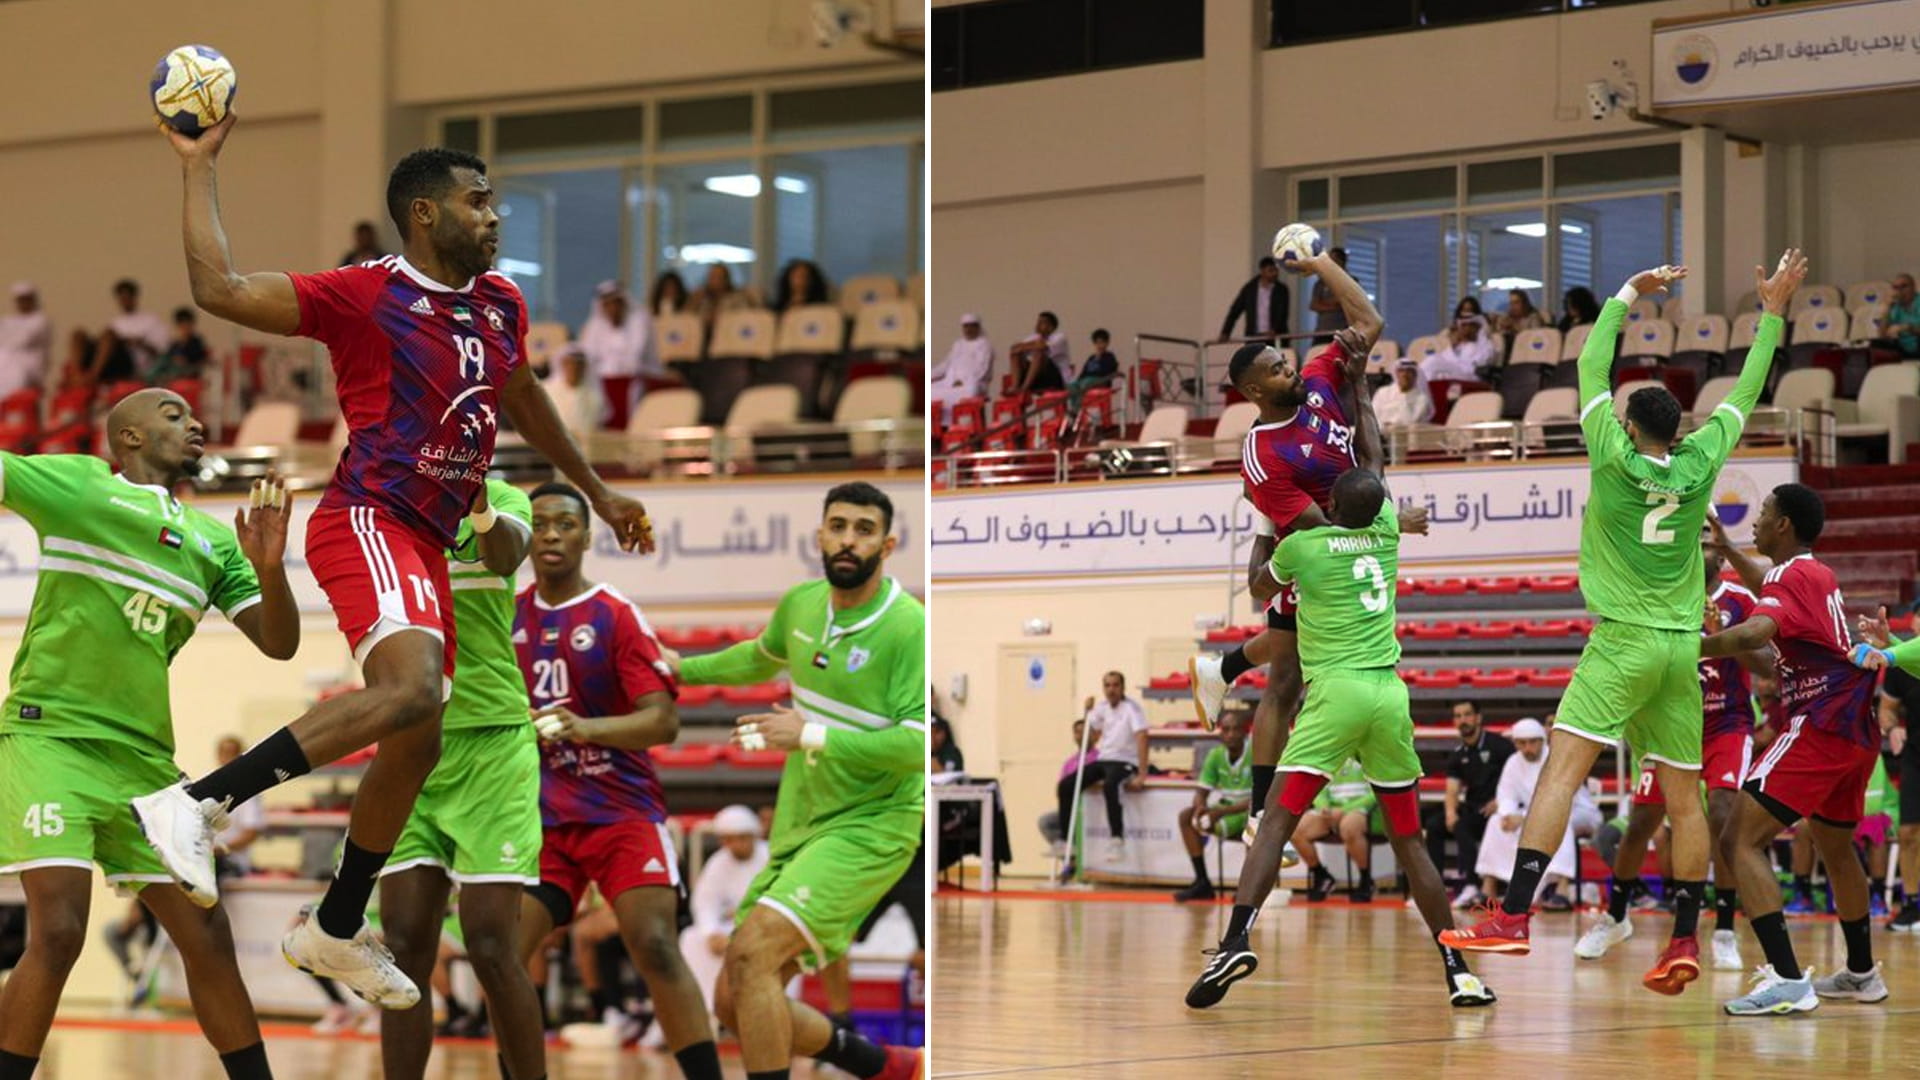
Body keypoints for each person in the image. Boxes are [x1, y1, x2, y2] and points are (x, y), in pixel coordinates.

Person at [132, 116, 653, 1009]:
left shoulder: (502, 305)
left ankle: (332, 927)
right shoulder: (364, 294)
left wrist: (599, 492)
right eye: (476, 201)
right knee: (413, 693)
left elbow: (521, 395)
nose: (495, 216)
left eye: (494, 201)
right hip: (370, 517)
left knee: (415, 739)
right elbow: (217, 288)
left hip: (427, 536)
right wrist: (198, 167)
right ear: (425, 213)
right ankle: (197, 804)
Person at [1441, 251, 1806, 1001]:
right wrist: (1770, 313)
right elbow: (1745, 387)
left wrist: (1625, 298)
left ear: (1630, 423)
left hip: (1622, 641)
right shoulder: (1702, 459)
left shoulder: (1609, 454)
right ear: (1677, 429)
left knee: (1562, 769)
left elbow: (1591, 369)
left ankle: (1511, 916)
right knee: (1685, 800)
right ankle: (1681, 939)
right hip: (1680, 650)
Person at [0, 389, 299, 1080]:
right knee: (61, 930)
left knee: (207, 934)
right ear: (127, 438)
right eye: (171, 414)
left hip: (144, 764)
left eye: (194, 415)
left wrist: (270, 567)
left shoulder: (218, 541)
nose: (193, 422)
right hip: (53, 741)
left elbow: (280, 644)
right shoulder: (77, 486)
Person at [1185, 468, 1494, 1011]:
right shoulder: (1388, 534)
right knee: (1410, 840)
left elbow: (1259, 584)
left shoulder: (1304, 547)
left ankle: (1235, 941)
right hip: (1389, 698)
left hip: (1336, 694)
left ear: (1327, 501)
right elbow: (1376, 474)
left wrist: (1264, 522)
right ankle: (1458, 971)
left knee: (1275, 822)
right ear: (1380, 509)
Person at [670, 482, 923, 1080]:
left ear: (887, 545)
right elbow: (759, 656)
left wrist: (808, 734)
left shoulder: (907, 626)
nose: (848, 539)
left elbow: (915, 745)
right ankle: (881, 1063)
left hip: (873, 824)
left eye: (864, 530)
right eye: (838, 525)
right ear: (819, 536)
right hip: (802, 822)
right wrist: (677, 668)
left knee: (754, 954)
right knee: (735, 995)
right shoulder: (802, 604)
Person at [1188, 248, 1421, 839]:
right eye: (1272, 368)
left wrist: (1320, 266)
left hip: (1350, 536)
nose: (1288, 368)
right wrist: (1387, 522)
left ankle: (1223, 669)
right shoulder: (1265, 451)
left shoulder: (1318, 379)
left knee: (1285, 671)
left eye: (1283, 360)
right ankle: (1261, 812)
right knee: (1286, 680)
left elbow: (1368, 324)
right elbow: (1318, 528)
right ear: (1251, 390)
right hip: (1317, 557)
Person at [504, 480, 720, 1076]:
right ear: (525, 537)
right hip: (540, 820)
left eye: (565, 524)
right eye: (540, 523)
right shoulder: (506, 616)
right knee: (502, 954)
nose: (551, 533)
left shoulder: (614, 613)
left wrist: (584, 729)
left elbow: (664, 721)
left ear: (586, 535)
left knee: (652, 943)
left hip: (620, 810)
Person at [372, 477, 544, 1080]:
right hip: (411, 743)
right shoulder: (386, 509)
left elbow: (504, 554)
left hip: (492, 745)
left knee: (493, 947)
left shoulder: (504, 500)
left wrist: (475, 500)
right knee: (402, 948)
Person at [1706, 484, 1887, 1014]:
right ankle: (1860, 973)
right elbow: (1770, 587)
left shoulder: (1790, 576)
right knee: (1834, 845)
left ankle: (1787, 981)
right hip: (1856, 724)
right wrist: (1730, 548)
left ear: (1783, 524)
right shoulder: (1816, 572)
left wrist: (1685, 647)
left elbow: (1754, 632)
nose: (1755, 523)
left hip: (1819, 720)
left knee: (1739, 838)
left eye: (1763, 514)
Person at [1577, 524, 1770, 971]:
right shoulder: (1661, 593)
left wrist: (1725, 635)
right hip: (1671, 721)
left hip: (1726, 723)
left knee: (1723, 813)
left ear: (1720, 556)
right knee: (1642, 817)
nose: (1699, 549)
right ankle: (1616, 916)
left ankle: (1723, 927)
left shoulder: (1739, 601)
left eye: (1706, 543)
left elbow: (1767, 668)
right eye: (1694, 541)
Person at [681, 806, 771, 1034]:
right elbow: (705, 902)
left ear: (753, 835)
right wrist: (711, 933)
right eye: (729, 840)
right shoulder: (718, 862)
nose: (736, 845)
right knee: (692, 939)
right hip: (728, 928)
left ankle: (759, 1019)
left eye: (741, 838)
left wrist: (743, 915)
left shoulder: (771, 857)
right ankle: (708, 1013)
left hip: (765, 926)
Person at [1474, 719, 1582, 907]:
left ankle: (1562, 891)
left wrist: (1523, 818)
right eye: (1521, 743)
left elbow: (1558, 801)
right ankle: (1488, 888)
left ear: (1542, 740)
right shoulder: (1513, 762)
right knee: (1495, 823)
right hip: (1530, 816)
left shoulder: (1556, 761)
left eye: (1532, 742)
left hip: (1570, 812)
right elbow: (1505, 795)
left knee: (1563, 825)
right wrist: (1509, 815)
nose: (1527, 748)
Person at [1423, 702, 1512, 909]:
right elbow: (1452, 789)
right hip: (1473, 807)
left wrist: (1502, 801)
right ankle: (1434, 889)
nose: (1462, 720)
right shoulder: (1457, 754)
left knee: (1463, 826)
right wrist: (1450, 812)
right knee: (1436, 825)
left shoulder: (1500, 746)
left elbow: (1517, 775)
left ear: (1478, 718)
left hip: (1499, 810)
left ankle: (1472, 885)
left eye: (1467, 715)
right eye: (1458, 716)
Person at [1061, 672, 1150, 860]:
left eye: (1115, 685)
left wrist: (1142, 773)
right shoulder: (1102, 708)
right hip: (1104, 759)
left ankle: (1117, 839)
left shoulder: (1132, 709)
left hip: (1126, 761)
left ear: (1123, 687)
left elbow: (1142, 737)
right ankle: (1067, 841)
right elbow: (1091, 731)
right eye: (1107, 686)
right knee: (1066, 785)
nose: (1111, 690)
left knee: (1111, 785)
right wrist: (1087, 711)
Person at [1172, 709, 1254, 902]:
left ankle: (1249, 889)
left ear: (1245, 732)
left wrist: (1220, 812)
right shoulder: (1215, 755)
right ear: (1220, 733)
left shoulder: (1257, 752)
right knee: (1186, 816)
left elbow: (1262, 798)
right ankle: (1202, 882)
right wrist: (1200, 807)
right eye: (1226, 730)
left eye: (1235, 729)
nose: (1231, 734)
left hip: (1250, 811)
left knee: (1256, 826)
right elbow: (1201, 792)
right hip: (1224, 811)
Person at [1290, 758, 1378, 902]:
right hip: (1332, 810)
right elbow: (1319, 786)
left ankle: (1366, 880)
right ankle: (1321, 876)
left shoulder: (1372, 753)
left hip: (1363, 810)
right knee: (1296, 830)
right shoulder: (1333, 752)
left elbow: (1377, 793)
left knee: (1349, 827)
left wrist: (1344, 810)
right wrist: (1324, 807)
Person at [578, 281, 655, 431]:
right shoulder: (595, 325)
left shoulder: (638, 321)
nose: (611, 309)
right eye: (607, 304)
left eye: (615, 304)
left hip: (632, 379)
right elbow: (589, 355)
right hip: (602, 382)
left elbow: (636, 355)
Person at [1878, 653, 1920, 931]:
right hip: (1916, 755)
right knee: (1909, 832)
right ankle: (1912, 906)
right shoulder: (1902, 664)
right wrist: (1892, 727)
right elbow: (1887, 707)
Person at [77, 279, 168, 387]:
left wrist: (139, 343)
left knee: (109, 335)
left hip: (133, 365)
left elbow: (161, 353)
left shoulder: (151, 320)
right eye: (122, 298)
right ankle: (76, 374)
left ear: (134, 298)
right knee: (78, 334)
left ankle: (93, 376)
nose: (124, 301)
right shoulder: (114, 322)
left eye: (127, 298)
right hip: (112, 363)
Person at [1037, 719, 1097, 852]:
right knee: (1045, 822)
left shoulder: (1099, 759)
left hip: (1089, 810)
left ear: (1094, 735)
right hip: (1069, 810)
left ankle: (1073, 849)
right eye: (1077, 732)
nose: (1081, 736)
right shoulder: (1069, 763)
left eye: (1085, 732)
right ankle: (1070, 852)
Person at [1216, 257, 1290, 344]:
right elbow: (1234, 311)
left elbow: (1283, 314)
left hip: (1275, 338)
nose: (1275, 274)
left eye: (1276, 270)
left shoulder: (1282, 290)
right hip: (1254, 338)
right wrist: (1225, 332)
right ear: (1262, 271)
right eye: (1270, 270)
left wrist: (1275, 329)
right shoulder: (1249, 289)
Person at [930, 314, 992, 415]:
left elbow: (982, 369)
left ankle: (961, 423)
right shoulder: (958, 344)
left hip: (974, 383)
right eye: (966, 326)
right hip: (951, 381)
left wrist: (964, 381)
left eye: (972, 326)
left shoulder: (984, 345)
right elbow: (946, 364)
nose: (968, 329)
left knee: (971, 389)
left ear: (977, 328)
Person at [1419, 308, 1497, 384]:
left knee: (1432, 361)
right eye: (1462, 325)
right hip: (1455, 374)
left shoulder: (1485, 344)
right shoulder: (1459, 346)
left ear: (1476, 327)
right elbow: (1443, 358)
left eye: (1467, 325)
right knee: (1435, 371)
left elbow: (1481, 364)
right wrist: (1453, 347)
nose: (1463, 328)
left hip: (1471, 376)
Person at [0, 283, 50, 400]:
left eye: (26, 299)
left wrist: (8, 338)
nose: (23, 303)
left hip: (28, 367)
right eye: (20, 300)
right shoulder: (8, 320)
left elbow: (24, 340)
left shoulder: (40, 320)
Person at [1008, 311, 1070, 395]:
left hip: (1054, 378)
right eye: (1038, 321)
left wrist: (1025, 347)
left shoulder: (1060, 337)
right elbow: (1014, 348)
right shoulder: (1034, 336)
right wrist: (1030, 345)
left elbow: (1042, 346)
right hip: (1036, 377)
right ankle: (1015, 386)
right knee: (1016, 355)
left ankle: (1024, 388)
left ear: (1051, 327)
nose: (1037, 325)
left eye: (1042, 322)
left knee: (1039, 353)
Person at [688, 264, 755, 333]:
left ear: (726, 279)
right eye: (711, 277)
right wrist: (694, 302)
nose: (714, 280)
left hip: (730, 334)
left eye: (718, 277)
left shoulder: (736, 298)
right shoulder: (703, 299)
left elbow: (745, 319)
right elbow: (687, 320)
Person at [152, 307, 210, 384]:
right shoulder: (176, 343)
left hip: (189, 370)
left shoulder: (196, 341)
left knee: (171, 366)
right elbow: (168, 356)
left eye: (187, 324)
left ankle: (159, 377)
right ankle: (152, 376)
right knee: (163, 359)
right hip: (174, 368)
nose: (185, 327)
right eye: (182, 324)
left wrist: (183, 360)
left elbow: (200, 359)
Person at [1307, 248, 1350, 344]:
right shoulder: (1320, 283)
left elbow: (1344, 302)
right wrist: (1333, 305)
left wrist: (1323, 303)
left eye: (1333, 260)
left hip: (1342, 332)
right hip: (1321, 332)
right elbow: (1313, 305)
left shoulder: (1350, 282)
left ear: (1341, 262)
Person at [1373, 359, 1432, 427]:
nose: (1405, 374)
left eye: (1409, 371)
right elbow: (1373, 416)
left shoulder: (1421, 399)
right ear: (1396, 374)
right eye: (1401, 371)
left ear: (1415, 375)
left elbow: (1412, 422)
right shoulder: (1382, 393)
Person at [1877, 273, 1920, 358]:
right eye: (1896, 288)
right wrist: (1887, 309)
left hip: (1918, 345)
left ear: (1913, 287)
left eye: (1904, 286)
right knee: (1876, 345)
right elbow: (1882, 335)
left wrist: (1907, 327)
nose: (1900, 291)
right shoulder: (1895, 307)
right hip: (1902, 349)